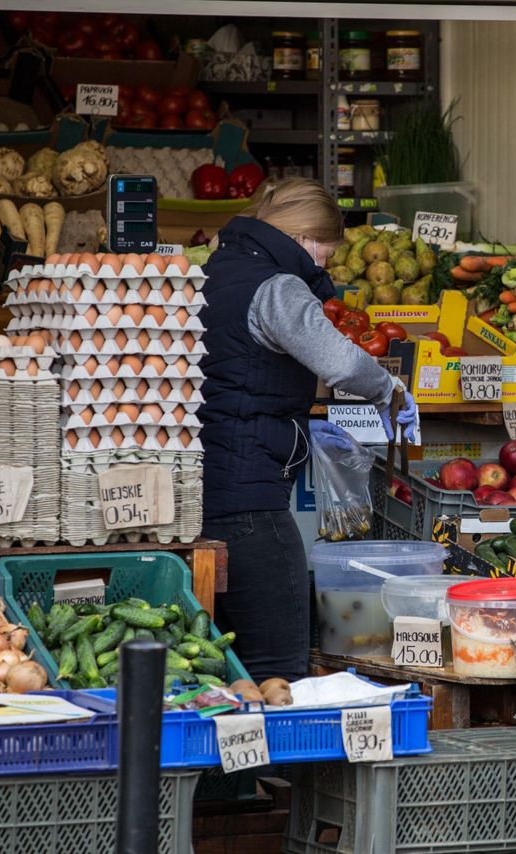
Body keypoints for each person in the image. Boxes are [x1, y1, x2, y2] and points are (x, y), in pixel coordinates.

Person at [198, 177, 417, 683]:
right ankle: (272, 764)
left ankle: (231, 760)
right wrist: (389, 390)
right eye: (326, 252)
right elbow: (338, 361)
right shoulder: (277, 287)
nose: (326, 265)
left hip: (206, 483)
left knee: (229, 664)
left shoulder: (216, 269)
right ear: (304, 240)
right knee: (278, 664)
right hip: (250, 496)